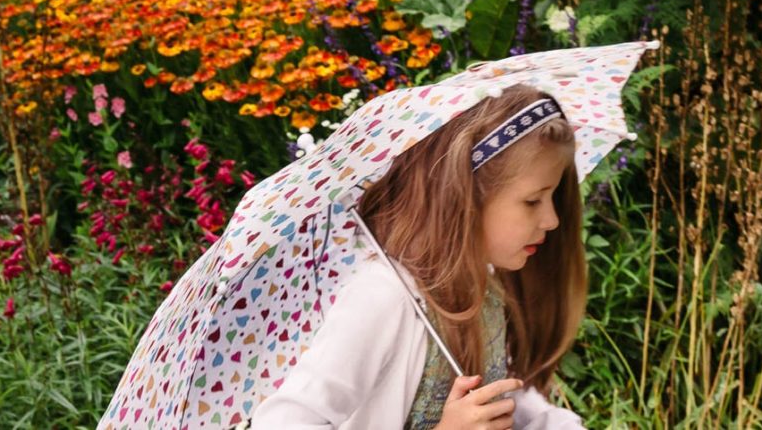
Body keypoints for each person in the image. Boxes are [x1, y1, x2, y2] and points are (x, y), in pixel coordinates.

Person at [251, 84, 587, 429]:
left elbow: (498, 396)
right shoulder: (385, 298)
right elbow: (282, 421)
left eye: (552, 197)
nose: (552, 220)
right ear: (465, 198)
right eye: (532, 201)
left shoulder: (483, 286)